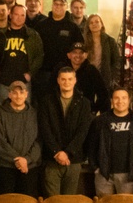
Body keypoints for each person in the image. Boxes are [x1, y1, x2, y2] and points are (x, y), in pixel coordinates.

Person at [38, 67, 93, 196]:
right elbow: (45, 129)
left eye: (69, 79)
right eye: (63, 79)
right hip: (52, 158)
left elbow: (83, 131)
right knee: (52, 200)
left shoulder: (84, 103)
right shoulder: (47, 101)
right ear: (58, 80)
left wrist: (68, 152)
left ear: (75, 80)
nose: (66, 82)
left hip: (73, 159)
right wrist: (57, 152)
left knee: (70, 200)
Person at [88, 88, 133, 196]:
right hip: (103, 174)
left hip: (129, 175)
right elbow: (91, 145)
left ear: (129, 100)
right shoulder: (100, 121)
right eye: (116, 98)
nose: (120, 101)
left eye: (124, 98)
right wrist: (95, 168)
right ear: (112, 100)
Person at [0, 81, 42, 197]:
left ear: (26, 94)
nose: (18, 96)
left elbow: (38, 141)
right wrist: (17, 160)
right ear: (9, 95)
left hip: (29, 168)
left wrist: (27, 160)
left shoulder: (33, 114)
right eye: (15, 93)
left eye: (21, 92)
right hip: (5, 168)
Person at [35, 0, 84, 99]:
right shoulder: (41, 25)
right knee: (44, 101)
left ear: (66, 7)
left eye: (61, 4)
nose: (58, 7)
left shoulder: (72, 27)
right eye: (56, 4)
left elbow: (80, 49)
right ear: (52, 6)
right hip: (44, 72)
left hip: (65, 73)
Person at [0, 4, 44, 104]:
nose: (19, 18)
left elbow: (39, 56)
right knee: (3, 111)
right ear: (10, 15)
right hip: (4, 81)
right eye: (17, 14)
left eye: (23, 15)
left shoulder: (32, 35)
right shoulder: (1, 35)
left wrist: (30, 73)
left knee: (24, 111)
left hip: (23, 81)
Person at [59, 43, 110, 114]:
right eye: (74, 52)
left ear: (86, 55)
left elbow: (103, 94)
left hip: (84, 113)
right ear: (69, 55)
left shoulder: (92, 71)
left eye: (81, 53)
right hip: (63, 111)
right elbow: (51, 90)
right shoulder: (60, 69)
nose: (78, 55)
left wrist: (93, 110)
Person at [84, 14, 122, 91]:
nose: (94, 24)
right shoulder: (84, 41)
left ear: (101, 24)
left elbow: (116, 61)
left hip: (105, 78)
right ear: (88, 26)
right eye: (91, 23)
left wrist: (112, 77)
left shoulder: (110, 41)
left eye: (97, 22)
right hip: (88, 77)